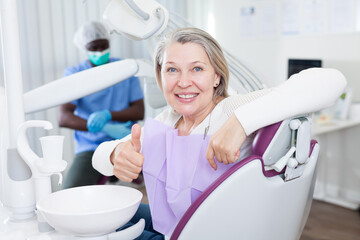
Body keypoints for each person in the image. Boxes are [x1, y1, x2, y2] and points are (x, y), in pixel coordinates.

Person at [92, 27, 346, 239]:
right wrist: (116, 154)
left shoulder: (233, 108)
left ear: (216, 76)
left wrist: (239, 123)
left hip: (213, 232)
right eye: (172, 69)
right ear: (161, 76)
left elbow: (332, 81)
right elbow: (99, 157)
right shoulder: (168, 120)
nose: (183, 82)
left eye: (197, 69)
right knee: (101, 211)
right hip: (176, 227)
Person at [59, 21, 145, 189]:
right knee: (70, 192)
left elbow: (139, 111)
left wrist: (109, 115)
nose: (99, 52)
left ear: (109, 43)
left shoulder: (124, 69)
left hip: (125, 139)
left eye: (103, 46)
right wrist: (101, 127)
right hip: (90, 146)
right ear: (85, 48)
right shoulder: (75, 74)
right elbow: (64, 117)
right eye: (94, 48)